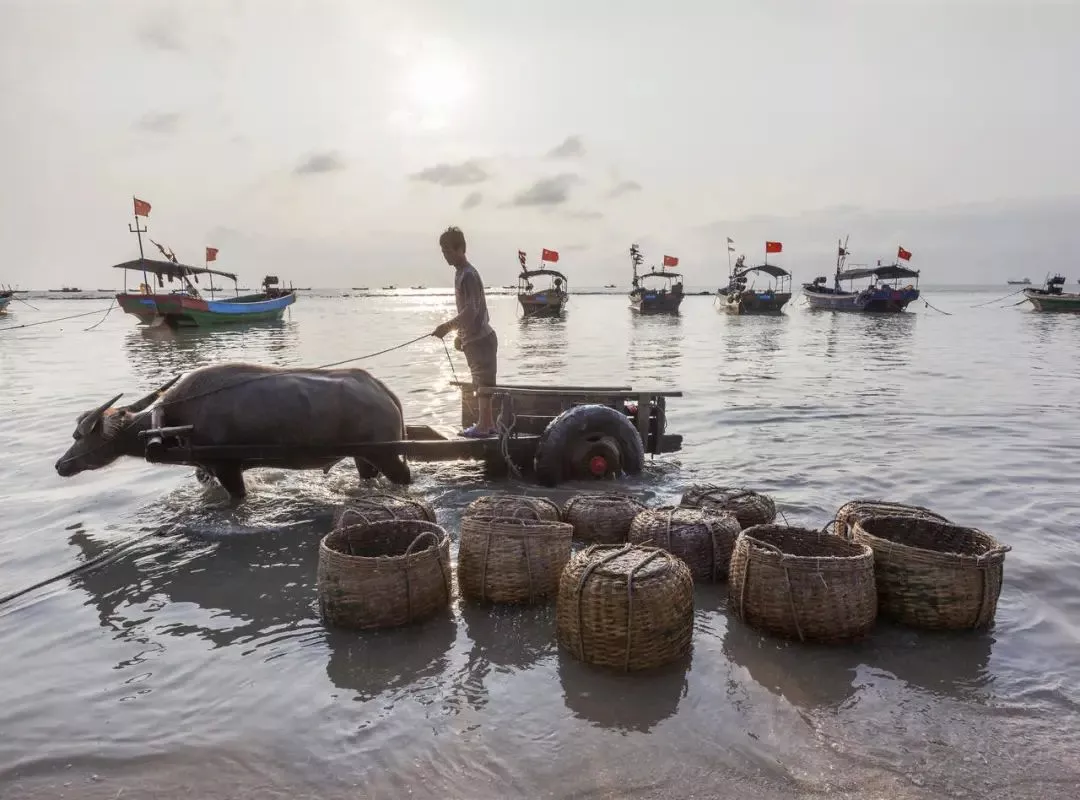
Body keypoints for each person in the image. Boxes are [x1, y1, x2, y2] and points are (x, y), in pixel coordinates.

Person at [431, 226, 499, 438]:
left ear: (461, 249)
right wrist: (461, 336)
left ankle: (484, 426)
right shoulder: (460, 273)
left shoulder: (468, 275)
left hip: (482, 339)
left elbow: (472, 311)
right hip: (474, 339)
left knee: (483, 384)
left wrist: (447, 327)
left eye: (449, 252)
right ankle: (486, 425)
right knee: (480, 382)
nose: (446, 256)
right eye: (443, 253)